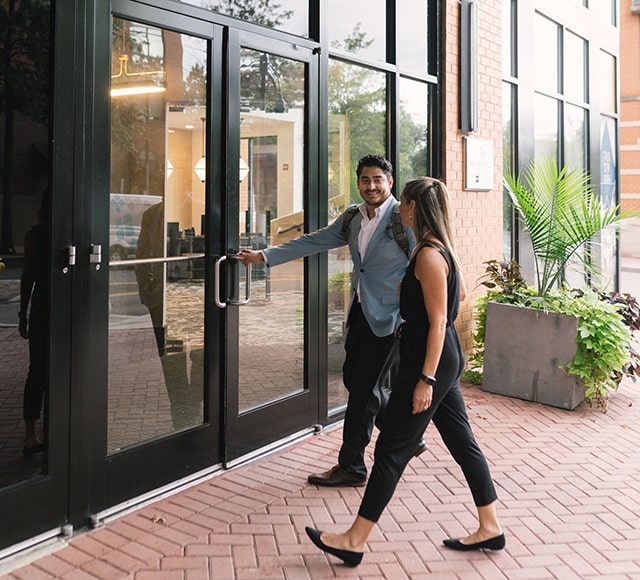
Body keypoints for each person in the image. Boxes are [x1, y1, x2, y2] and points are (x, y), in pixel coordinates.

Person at [305, 177, 504, 566]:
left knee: (392, 448)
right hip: (438, 355)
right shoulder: (437, 249)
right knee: (462, 442)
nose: (401, 209)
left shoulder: (428, 254)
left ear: (412, 206)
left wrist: (425, 380)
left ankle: (354, 539)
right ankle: (490, 525)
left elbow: (439, 320)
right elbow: (456, 296)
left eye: (405, 204)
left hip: (427, 362)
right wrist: (409, 311)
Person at [238, 155, 428, 487]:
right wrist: (265, 256)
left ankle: (352, 466)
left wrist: (411, 316)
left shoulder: (404, 218)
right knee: (355, 381)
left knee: (362, 392)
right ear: (358, 182)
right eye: (365, 180)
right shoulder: (353, 217)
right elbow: (315, 241)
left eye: (377, 180)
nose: (371, 186)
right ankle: (404, 434)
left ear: (390, 182)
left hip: (391, 318)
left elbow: (424, 265)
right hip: (360, 312)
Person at [19, 192, 49, 458]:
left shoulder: (34, 236)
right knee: (55, 370)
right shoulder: (66, 232)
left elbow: (27, 277)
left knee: (36, 370)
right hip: (62, 308)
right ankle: (50, 430)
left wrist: (23, 313)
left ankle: (31, 434)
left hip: (41, 306)